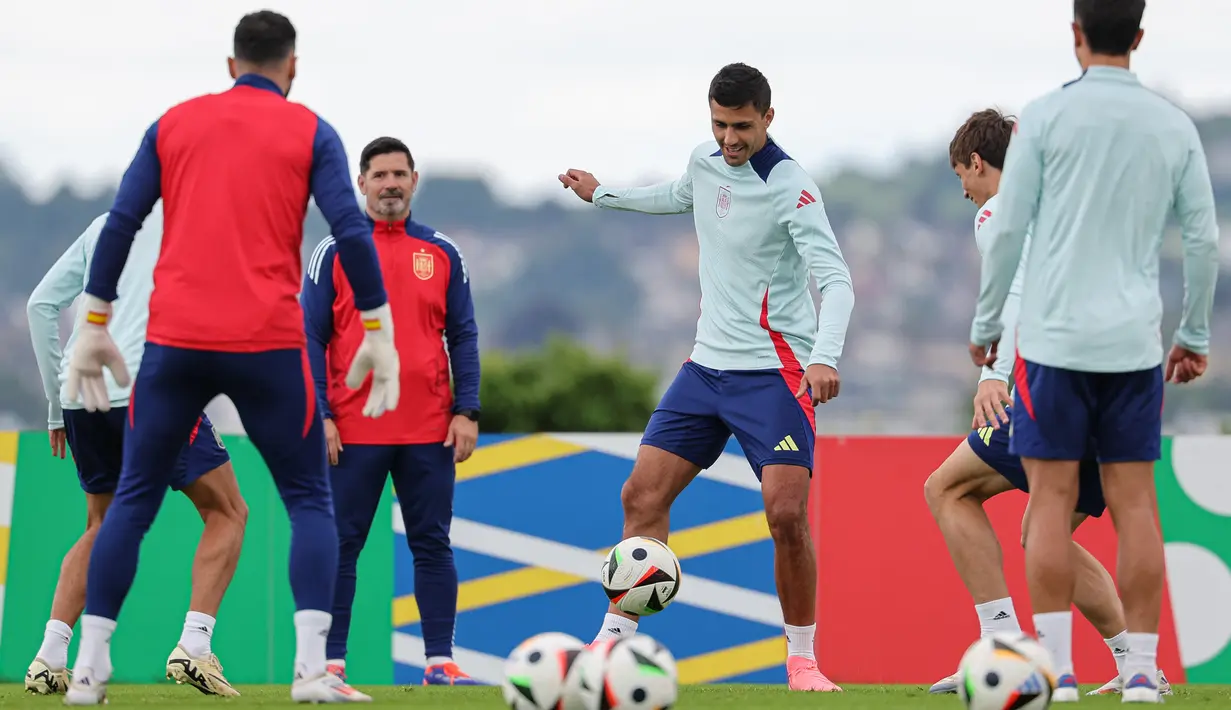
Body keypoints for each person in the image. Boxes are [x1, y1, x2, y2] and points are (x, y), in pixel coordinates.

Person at [61, 11, 399, 705]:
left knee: (131, 503)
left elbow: (121, 221)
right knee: (307, 500)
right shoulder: (310, 129)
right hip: (267, 345)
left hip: (175, 343)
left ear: (230, 65)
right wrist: (377, 327)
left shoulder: (174, 122)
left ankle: (87, 673)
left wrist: (93, 320)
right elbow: (348, 229)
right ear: (293, 66)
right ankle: (311, 675)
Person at [559, 63, 854, 692]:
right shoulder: (706, 160)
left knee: (785, 515)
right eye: (719, 125)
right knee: (640, 497)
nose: (729, 139)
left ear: (768, 118)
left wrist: (825, 355)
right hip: (705, 368)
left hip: (776, 374)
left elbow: (837, 280)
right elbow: (674, 194)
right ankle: (612, 644)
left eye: (741, 126)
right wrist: (602, 194)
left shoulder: (792, 187)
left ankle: (801, 660)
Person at [969, 0, 1219, 704]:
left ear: (1074, 34)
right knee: (1134, 506)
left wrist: (988, 324)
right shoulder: (1172, 123)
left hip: (1052, 342)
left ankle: (1053, 671)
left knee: (1046, 505)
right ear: (1138, 37)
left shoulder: (1043, 116)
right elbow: (1202, 240)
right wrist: (1192, 335)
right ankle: (1140, 669)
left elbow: (1009, 225)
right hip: (1131, 345)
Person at [925, 109, 1170, 697]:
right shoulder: (1065, 204)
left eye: (963, 174)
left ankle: (1004, 648)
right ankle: (1137, 665)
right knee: (1044, 534)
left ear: (979, 164)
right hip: (1121, 377)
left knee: (947, 489)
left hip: (1052, 381)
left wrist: (994, 372)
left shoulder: (996, 211)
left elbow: (1016, 291)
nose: (964, 190)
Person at [25, 206, 247, 698]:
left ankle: (50, 657)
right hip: (151, 390)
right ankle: (193, 646)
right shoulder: (207, 220)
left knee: (101, 527)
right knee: (228, 510)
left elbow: (39, 305)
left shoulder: (106, 223)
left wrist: (57, 403)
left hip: (82, 395)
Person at [301, 137, 482, 686]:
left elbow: (464, 335)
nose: (390, 184)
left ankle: (438, 662)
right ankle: (330, 665)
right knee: (343, 546)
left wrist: (466, 409)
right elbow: (310, 338)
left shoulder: (443, 252)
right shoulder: (333, 251)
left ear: (414, 180)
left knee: (432, 543)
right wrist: (322, 414)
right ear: (361, 184)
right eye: (379, 175)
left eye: (399, 174)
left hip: (429, 428)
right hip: (352, 430)